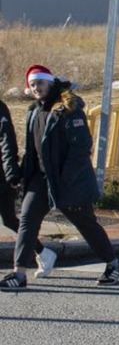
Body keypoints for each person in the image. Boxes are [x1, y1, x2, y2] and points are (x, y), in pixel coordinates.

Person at [1, 66, 119, 290]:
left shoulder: (68, 108)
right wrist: (19, 173)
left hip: (68, 181)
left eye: (40, 83)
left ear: (50, 83)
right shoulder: (33, 111)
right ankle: (19, 275)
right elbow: (32, 150)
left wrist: (65, 178)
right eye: (32, 84)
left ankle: (113, 264)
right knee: (27, 222)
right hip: (39, 179)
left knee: (85, 224)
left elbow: (82, 147)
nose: (36, 88)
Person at [0, 97, 57, 279]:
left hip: (1, 175)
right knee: (10, 220)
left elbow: (7, 140)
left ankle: (42, 252)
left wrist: (11, 172)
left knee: (9, 219)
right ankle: (43, 252)